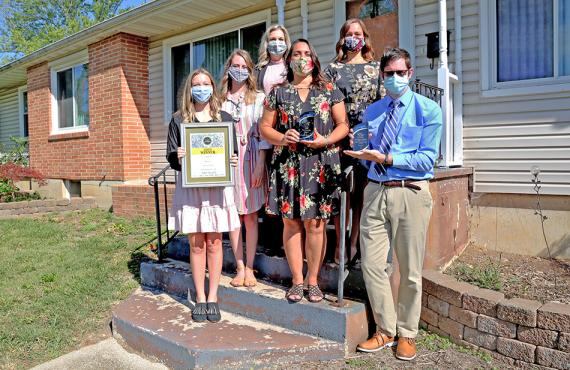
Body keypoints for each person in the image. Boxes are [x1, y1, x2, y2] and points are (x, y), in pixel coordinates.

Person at [344, 48, 442, 360]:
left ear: (410, 74)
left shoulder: (428, 110)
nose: (395, 78)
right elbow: (368, 151)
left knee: (410, 270)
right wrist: (360, 151)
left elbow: (428, 157)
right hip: (375, 190)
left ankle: (408, 333)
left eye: (401, 72)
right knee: (372, 265)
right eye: (389, 73)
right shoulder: (373, 112)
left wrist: (387, 158)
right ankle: (385, 330)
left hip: (410, 192)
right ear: (382, 76)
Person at [260, 39, 349, 303]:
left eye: (306, 53)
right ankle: (297, 281)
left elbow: (343, 124)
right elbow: (264, 128)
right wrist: (282, 136)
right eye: (296, 53)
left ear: (313, 58)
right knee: (291, 222)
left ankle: (314, 281)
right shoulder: (278, 92)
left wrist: (327, 139)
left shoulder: (329, 90)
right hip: (289, 164)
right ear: (289, 60)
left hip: (321, 164)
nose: (302, 58)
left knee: (316, 224)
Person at [167, 68, 240, 323]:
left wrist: (233, 158)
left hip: (218, 189)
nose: (201, 88)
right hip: (191, 189)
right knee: (196, 243)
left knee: (215, 242)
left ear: (213, 87)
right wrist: (178, 158)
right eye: (196, 84)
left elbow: (231, 154)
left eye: (206, 83)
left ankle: (213, 297)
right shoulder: (179, 120)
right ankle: (199, 297)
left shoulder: (226, 118)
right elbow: (171, 157)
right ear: (190, 88)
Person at [324, 18, 384, 265]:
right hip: (338, 137)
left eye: (358, 33)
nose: (354, 38)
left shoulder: (375, 68)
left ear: (365, 37)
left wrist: (374, 134)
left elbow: (381, 105)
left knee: (359, 194)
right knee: (340, 194)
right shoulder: (331, 70)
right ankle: (339, 242)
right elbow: (324, 103)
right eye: (349, 33)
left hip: (364, 139)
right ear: (342, 38)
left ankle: (353, 243)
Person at [220, 49, 269, 288]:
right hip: (228, 164)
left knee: (250, 216)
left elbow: (263, 134)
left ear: (250, 71)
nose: (239, 70)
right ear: (229, 67)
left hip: (251, 161)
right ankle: (238, 267)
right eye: (235, 65)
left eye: (244, 66)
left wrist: (261, 163)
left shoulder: (258, 98)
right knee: (233, 217)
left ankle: (250, 267)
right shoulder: (219, 100)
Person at [255, 25, 291, 95]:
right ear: (267, 43)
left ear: (286, 43)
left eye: (281, 39)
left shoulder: (292, 66)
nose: (277, 43)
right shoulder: (258, 70)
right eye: (273, 39)